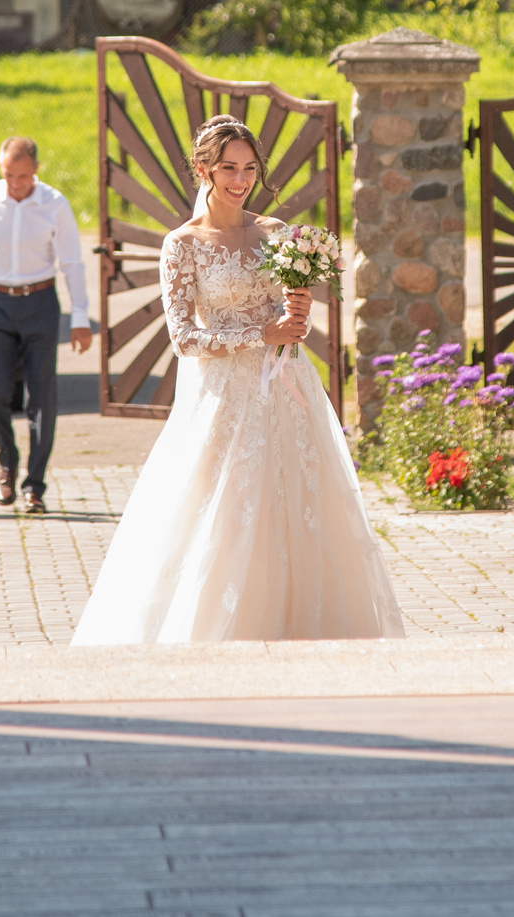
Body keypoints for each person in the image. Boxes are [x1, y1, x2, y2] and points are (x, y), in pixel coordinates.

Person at [72, 115, 407, 643]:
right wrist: (261, 333)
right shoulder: (181, 245)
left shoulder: (275, 234)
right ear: (203, 168)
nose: (240, 179)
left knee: (298, 504)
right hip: (224, 400)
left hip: (287, 390)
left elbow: (289, 317)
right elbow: (183, 338)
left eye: (249, 168)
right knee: (223, 512)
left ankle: (308, 625)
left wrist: (298, 318)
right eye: (228, 167)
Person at [0, 135, 93, 513]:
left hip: (40, 303)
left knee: (42, 397)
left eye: (23, 176)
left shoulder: (54, 204)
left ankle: (35, 485)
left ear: (36, 171)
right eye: (9, 175)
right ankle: (7, 463)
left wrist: (80, 317)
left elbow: (73, 263)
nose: (15, 183)